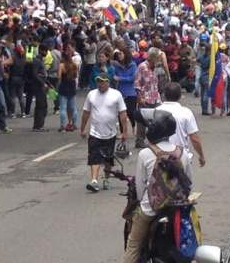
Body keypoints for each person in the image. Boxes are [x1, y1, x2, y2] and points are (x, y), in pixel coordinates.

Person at [123, 111, 192, 263]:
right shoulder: (183, 153)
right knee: (188, 243)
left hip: (150, 210)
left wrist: (144, 201)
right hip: (178, 209)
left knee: (133, 244)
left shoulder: (145, 153)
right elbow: (189, 183)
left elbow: (140, 188)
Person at [80, 73, 128, 192]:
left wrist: (124, 132)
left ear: (108, 82)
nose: (100, 84)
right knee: (94, 156)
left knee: (107, 158)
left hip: (110, 132)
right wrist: (82, 129)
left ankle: (106, 178)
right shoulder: (91, 94)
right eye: (98, 82)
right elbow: (86, 112)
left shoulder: (116, 95)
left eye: (102, 82)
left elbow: (122, 114)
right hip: (95, 132)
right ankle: (94, 180)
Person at [158, 82, 206, 167]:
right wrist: (201, 156)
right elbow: (194, 139)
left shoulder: (156, 111)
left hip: (160, 157)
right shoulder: (186, 112)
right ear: (180, 96)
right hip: (181, 157)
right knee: (185, 180)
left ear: (164, 95)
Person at [134, 48, 162, 149]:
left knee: (157, 119)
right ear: (152, 57)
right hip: (145, 97)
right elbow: (137, 83)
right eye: (158, 58)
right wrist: (139, 97)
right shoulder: (142, 67)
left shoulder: (156, 67)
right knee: (142, 121)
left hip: (155, 97)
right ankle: (139, 141)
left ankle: (154, 139)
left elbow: (156, 82)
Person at [113, 47, 138, 134]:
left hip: (131, 92)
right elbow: (113, 76)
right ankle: (123, 132)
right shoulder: (117, 66)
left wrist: (120, 78)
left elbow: (132, 78)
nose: (119, 55)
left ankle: (134, 125)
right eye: (118, 54)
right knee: (121, 113)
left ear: (125, 54)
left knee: (130, 112)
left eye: (121, 54)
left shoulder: (133, 65)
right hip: (120, 92)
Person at [58, 45, 79, 132]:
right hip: (72, 86)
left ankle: (63, 125)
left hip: (64, 86)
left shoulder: (61, 66)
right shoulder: (74, 65)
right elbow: (76, 76)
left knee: (63, 107)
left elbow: (59, 77)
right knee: (73, 107)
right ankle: (74, 124)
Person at [31, 44, 49, 131]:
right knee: (41, 105)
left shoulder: (40, 60)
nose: (46, 53)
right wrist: (42, 83)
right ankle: (38, 125)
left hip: (41, 85)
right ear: (42, 50)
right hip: (39, 86)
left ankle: (38, 125)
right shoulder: (37, 61)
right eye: (45, 51)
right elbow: (35, 74)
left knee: (42, 105)